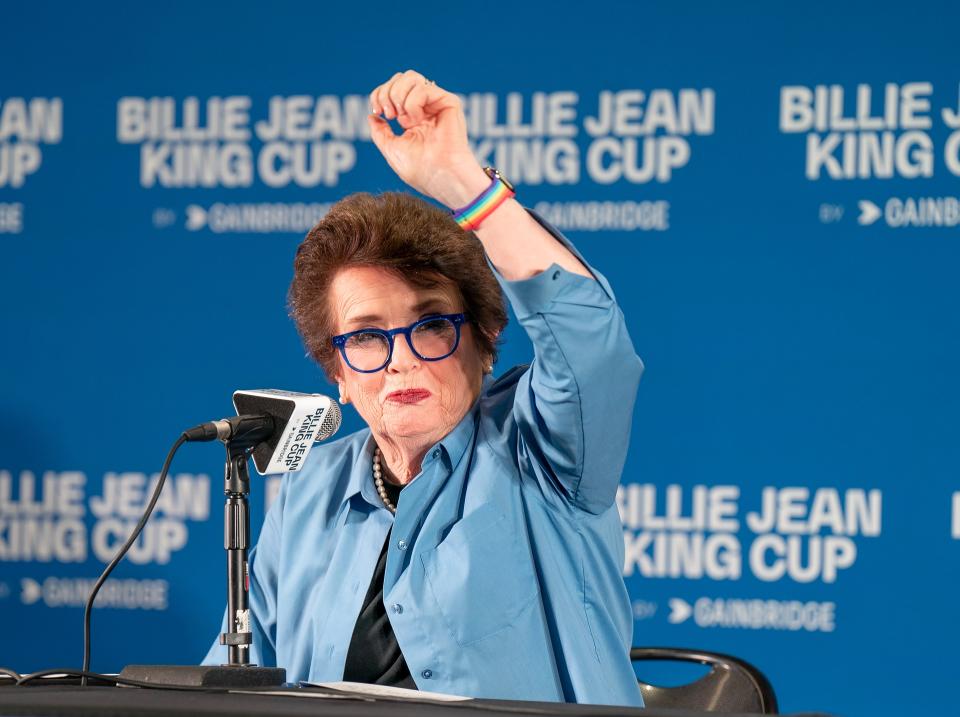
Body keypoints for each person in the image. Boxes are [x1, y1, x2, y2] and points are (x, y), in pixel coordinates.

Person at [203, 70, 644, 706]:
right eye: (366, 336)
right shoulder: (304, 494)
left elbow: (592, 342)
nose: (400, 361)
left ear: (486, 343)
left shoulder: (545, 454)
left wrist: (463, 181)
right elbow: (239, 682)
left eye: (432, 325)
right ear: (339, 374)